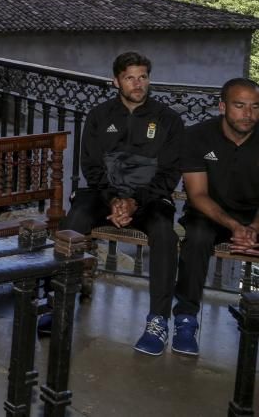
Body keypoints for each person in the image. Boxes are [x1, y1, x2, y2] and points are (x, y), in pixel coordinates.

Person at [42, 52, 184, 355]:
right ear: (115, 81)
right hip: (105, 195)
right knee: (74, 221)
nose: (138, 83)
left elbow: (170, 173)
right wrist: (114, 199)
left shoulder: (169, 120)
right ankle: (59, 304)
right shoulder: (99, 116)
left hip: (150, 199)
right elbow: (91, 167)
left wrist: (135, 201)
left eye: (143, 76)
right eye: (130, 77)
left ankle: (158, 321)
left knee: (165, 234)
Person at [171, 78, 259, 357]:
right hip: (209, 212)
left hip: (254, 214)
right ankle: (186, 318)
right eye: (240, 106)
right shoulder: (197, 136)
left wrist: (253, 228)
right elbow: (197, 195)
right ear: (222, 107)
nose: (249, 114)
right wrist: (235, 226)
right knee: (196, 238)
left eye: (256, 107)